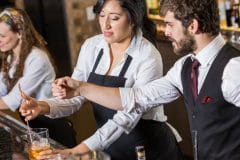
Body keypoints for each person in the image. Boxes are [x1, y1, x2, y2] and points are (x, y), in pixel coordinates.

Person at [22, 0, 240, 159]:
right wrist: (76, 90)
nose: (166, 31)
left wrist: (80, 148)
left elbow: (129, 113)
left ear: (192, 26)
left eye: (171, 25)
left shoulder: (233, 69)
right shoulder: (184, 67)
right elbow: (138, 97)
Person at [0, 7, 76, 148]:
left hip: (52, 127)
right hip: (33, 127)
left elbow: (14, 99)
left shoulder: (37, 58)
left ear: (19, 33)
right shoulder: (10, 57)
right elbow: (1, 89)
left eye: (2, 36)